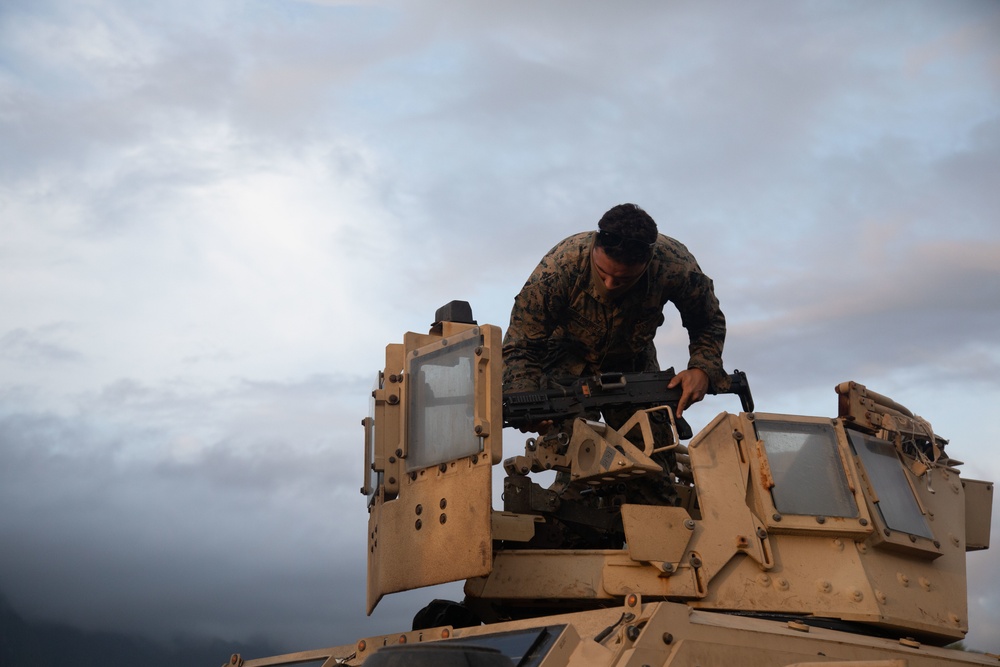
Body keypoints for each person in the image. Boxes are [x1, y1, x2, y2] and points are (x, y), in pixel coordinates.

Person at [502, 203, 728, 433]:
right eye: (602, 274)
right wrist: (525, 400)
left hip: (633, 366)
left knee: (654, 453)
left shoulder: (675, 266)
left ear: (648, 262)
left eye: (622, 280)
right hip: (566, 362)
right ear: (595, 249)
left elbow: (707, 322)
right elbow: (522, 343)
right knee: (577, 451)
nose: (610, 285)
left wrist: (702, 369)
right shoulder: (558, 269)